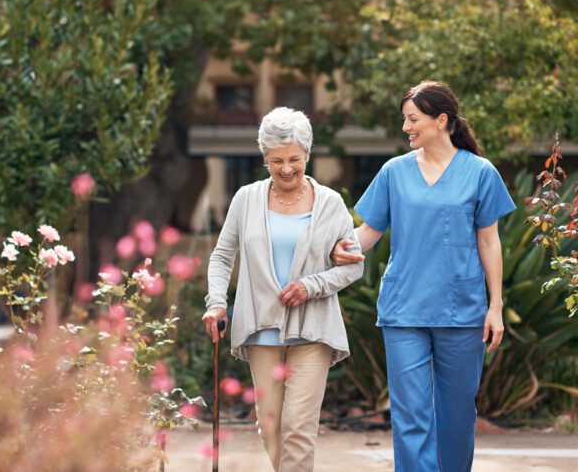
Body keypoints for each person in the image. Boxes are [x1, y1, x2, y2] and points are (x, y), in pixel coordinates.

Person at [332, 81, 515, 472]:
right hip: (404, 309)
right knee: (410, 416)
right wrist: (337, 248)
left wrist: (495, 306)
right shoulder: (393, 172)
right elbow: (367, 232)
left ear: (441, 120)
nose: (405, 128)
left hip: (461, 311)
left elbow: (489, 242)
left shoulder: (480, 172)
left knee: (457, 417)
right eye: (405, 120)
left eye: (412, 119)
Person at [202, 107, 364, 472]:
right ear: (265, 159)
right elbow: (222, 257)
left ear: (307, 155)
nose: (286, 168)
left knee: (299, 428)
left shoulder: (330, 203)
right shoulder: (246, 199)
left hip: (313, 330)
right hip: (262, 330)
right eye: (277, 160)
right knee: (271, 426)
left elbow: (354, 268)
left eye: (294, 159)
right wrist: (216, 304)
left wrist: (312, 286)